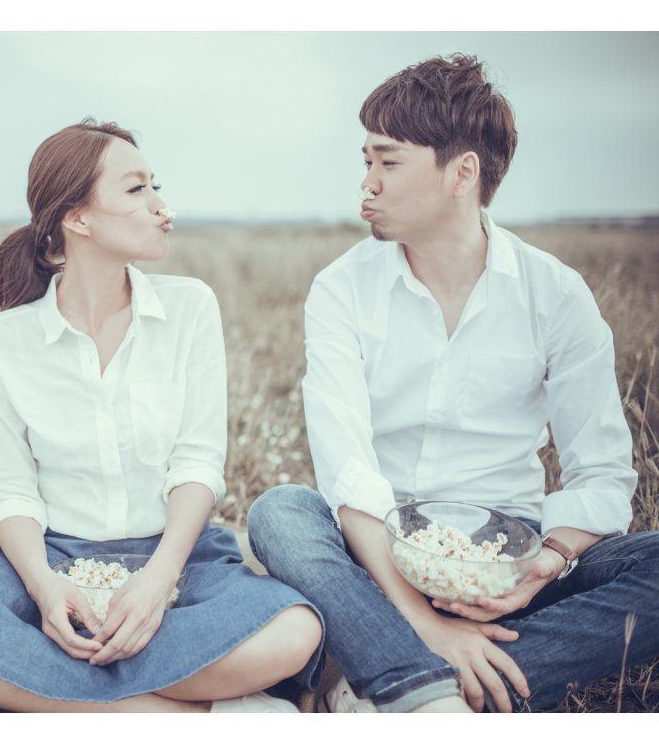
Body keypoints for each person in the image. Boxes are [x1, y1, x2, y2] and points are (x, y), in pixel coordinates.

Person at [0, 118, 323, 713]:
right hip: (50, 559)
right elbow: (11, 493)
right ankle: (159, 713)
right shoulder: (2, 341)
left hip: (179, 555)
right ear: (77, 218)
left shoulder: (190, 306)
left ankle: (32, 687)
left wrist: (156, 584)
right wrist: (45, 589)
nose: (162, 207)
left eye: (155, 186)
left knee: (295, 631)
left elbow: (197, 463)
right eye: (136, 189)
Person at [247, 55, 659, 713]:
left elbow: (605, 477)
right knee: (280, 513)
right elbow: (347, 471)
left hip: (506, 564)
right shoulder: (341, 289)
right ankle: (432, 687)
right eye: (366, 160)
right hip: (375, 556)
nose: (367, 182)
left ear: (462, 172)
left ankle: (403, 681)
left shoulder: (556, 295)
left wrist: (544, 564)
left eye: (388, 162)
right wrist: (428, 623)